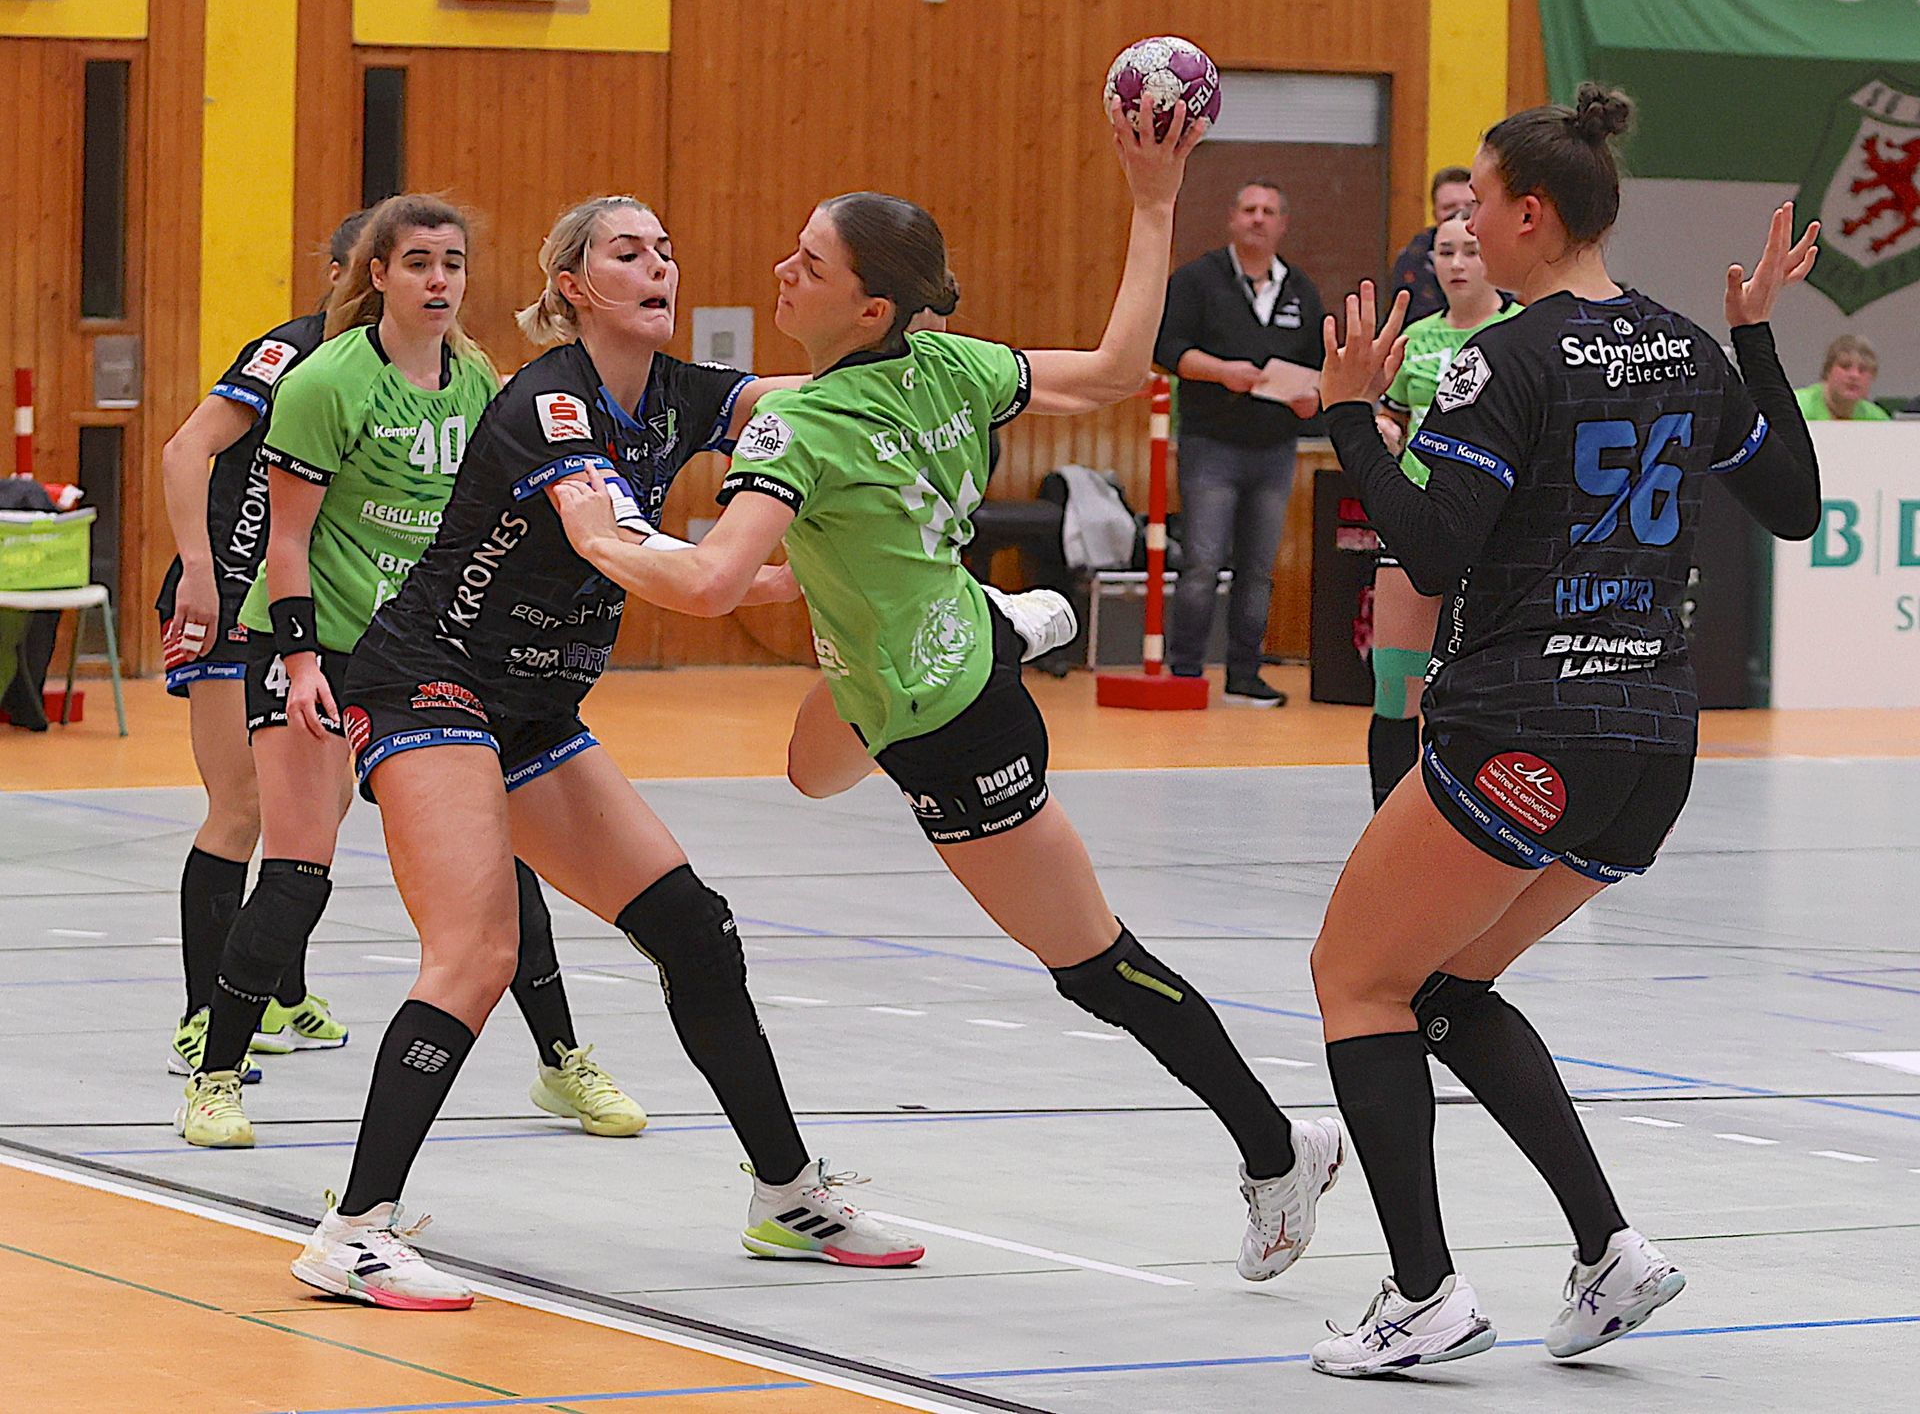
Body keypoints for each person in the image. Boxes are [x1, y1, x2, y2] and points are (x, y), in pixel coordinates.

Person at [552, 104, 1348, 1293]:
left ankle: (1281, 1149)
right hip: (891, 669)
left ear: (870, 309)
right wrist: (1149, 203)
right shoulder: (951, 366)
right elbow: (1115, 371)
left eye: (808, 263)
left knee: (1094, 964)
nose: (780, 269)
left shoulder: (801, 428)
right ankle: (986, 614)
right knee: (808, 770)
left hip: (955, 725)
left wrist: (603, 530)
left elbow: (710, 584)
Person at [287, 195, 921, 1312]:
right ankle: (354, 1232)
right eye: (628, 252)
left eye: (666, 248)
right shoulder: (551, 400)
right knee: (475, 954)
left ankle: (788, 1195)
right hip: (428, 680)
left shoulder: (681, 393)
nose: (658, 264)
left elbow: (824, 398)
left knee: (695, 930)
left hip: (534, 708)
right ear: (574, 286)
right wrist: (730, 573)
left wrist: (944, 374)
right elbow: (606, 537)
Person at [1303, 85, 1821, 1377]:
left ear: (1531, 215)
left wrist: (1350, 417)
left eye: (1476, 203)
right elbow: (1795, 505)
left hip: (1523, 728)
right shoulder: (1685, 347)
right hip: (1651, 745)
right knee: (1445, 987)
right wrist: (1756, 337)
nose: (1461, 225)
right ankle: (1610, 1252)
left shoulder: (1503, 358)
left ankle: (1423, 1293)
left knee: (1355, 979)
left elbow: (1431, 548)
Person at [174, 194, 644, 1152]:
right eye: (420, 262)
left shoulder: (478, 382)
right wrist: (300, 660)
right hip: (314, 642)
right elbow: (286, 542)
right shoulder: (325, 379)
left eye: (454, 263)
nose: (439, 280)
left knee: (499, 867)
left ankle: (563, 1062)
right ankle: (214, 1078)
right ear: (379, 274)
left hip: (423, 655)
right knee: (297, 869)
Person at [157, 210, 368, 1082]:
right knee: (241, 805)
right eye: (374, 264)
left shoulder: (403, 373)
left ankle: (281, 990)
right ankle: (203, 1014)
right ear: (340, 272)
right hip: (227, 600)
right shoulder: (287, 354)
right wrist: (199, 571)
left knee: (316, 809)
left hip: (309, 612)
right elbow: (185, 450)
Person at [1366, 211, 1520, 809]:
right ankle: (1387, 821)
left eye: (1470, 252)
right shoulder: (1416, 338)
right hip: (1416, 513)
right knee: (1394, 683)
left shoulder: (1519, 331)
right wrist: (1382, 428)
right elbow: (1393, 412)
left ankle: (1473, 820)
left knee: (1478, 691)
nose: (1457, 264)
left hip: (1495, 523)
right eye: (1446, 252)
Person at [1155, 180, 1326, 704]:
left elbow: (1320, 366)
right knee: (1202, 563)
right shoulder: (1196, 280)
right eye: (1249, 209)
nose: (1257, 218)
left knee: (1258, 569)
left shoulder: (1301, 291)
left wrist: (1312, 398)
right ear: (1232, 218)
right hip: (1211, 444)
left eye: (1268, 211)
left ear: (1283, 224)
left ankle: (1244, 675)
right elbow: (1167, 348)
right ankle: (1186, 672)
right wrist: (1221, 371)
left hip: (1275, 449)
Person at [1386, 167, 1476, 325]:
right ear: (1435, 214)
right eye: (1449, 207)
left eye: (1470, 206)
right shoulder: (1412, 260)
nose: (1459, 214)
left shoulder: (1502, 251)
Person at [1795, 333, 1889, 421]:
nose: (1854, 375)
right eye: (1845, 366)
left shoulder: (1877, 419)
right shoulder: (1797, 406)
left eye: (1862, 370)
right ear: (1828, 371)